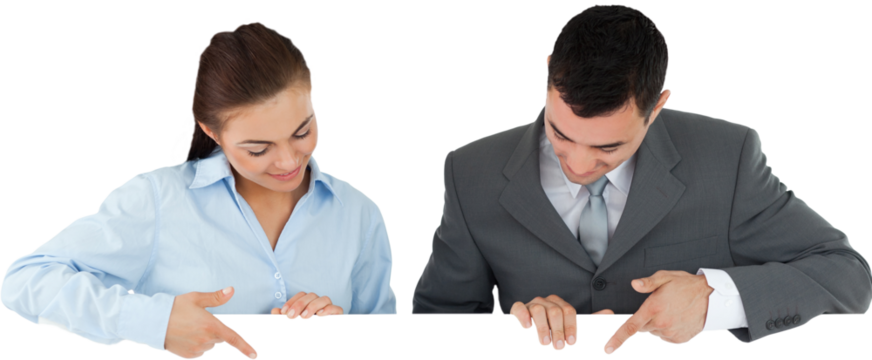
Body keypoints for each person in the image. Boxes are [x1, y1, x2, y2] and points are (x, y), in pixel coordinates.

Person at [410, 3, 871, 355]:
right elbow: (441, 317)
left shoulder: (726, 158)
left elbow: (847, 275)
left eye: (608, 148)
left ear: (656, 107)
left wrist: (715, 299)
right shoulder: (472, 172)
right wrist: (517, 325)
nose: (578, 164)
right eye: (561, 134)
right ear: (548, 72)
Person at [0, 20, 397, 359]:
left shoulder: (358, 213)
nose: (289, 161)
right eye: (258, 149)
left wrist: (342, 322)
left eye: (302, 132)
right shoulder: (157, 201)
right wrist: (155, 321)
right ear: (212, 131)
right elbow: (26, 279)